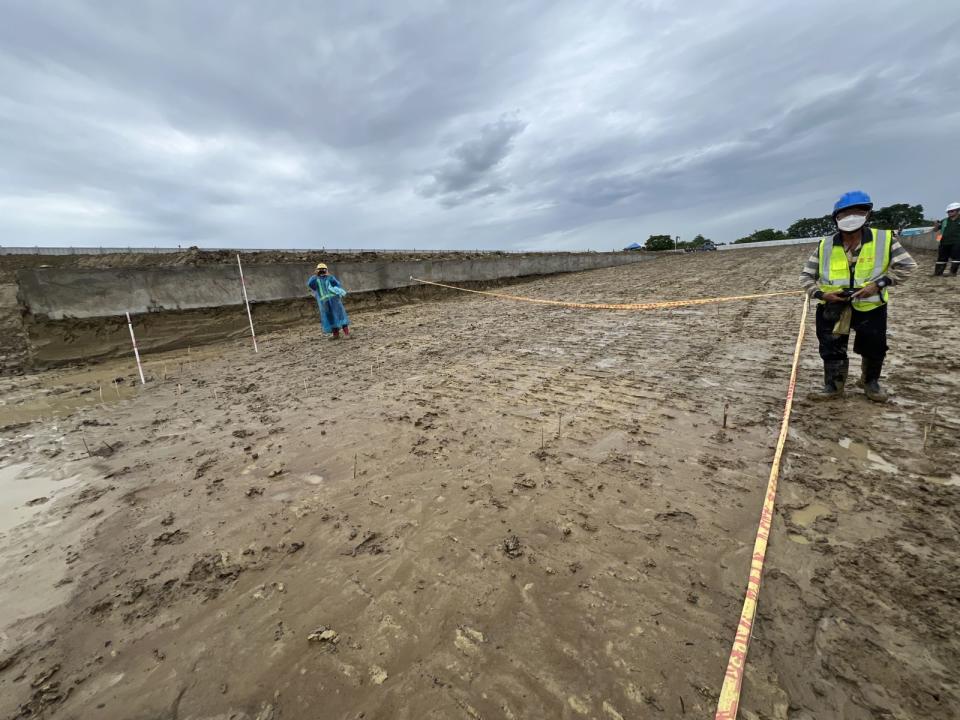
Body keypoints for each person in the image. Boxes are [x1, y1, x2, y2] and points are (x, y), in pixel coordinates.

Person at [799, 190, 917, 402]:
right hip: (833, 306)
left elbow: (907, 266)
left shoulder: (885, 239)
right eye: (845, 213)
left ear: (867, 214)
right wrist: (821, 294)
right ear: (836, 218)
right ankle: (833, 386)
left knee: (874, 347)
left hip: (871, 306)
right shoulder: (825, 245)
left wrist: (879, 284)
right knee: (831, 346)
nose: (851, 216)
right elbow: (806, 276)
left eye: (858, 211)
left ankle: (870, 382)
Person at [307, 263, 351, 339]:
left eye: (323, 270)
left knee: (340, 316)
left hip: (334, 301)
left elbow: (337, 285)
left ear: (326, 270)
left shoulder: (330, 278)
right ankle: (336, 335)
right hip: (324, 302)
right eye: (320, 270)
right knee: (330, 317)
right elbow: (310, 284)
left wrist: (329, 276)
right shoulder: (315, 279)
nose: (321, 271)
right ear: (317, 271)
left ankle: (346, 334)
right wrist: (315, 275)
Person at [934, 202, 960, 275]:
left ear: (958, 211)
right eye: (948, 211)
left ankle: (952, 273)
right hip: (944, 242)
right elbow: (936, 230)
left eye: (952, 211)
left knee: (956, 257)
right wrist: (936, 225)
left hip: (957, 242)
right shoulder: (944, 220)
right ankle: (938, 273)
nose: (949, 213)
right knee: (941, 258)